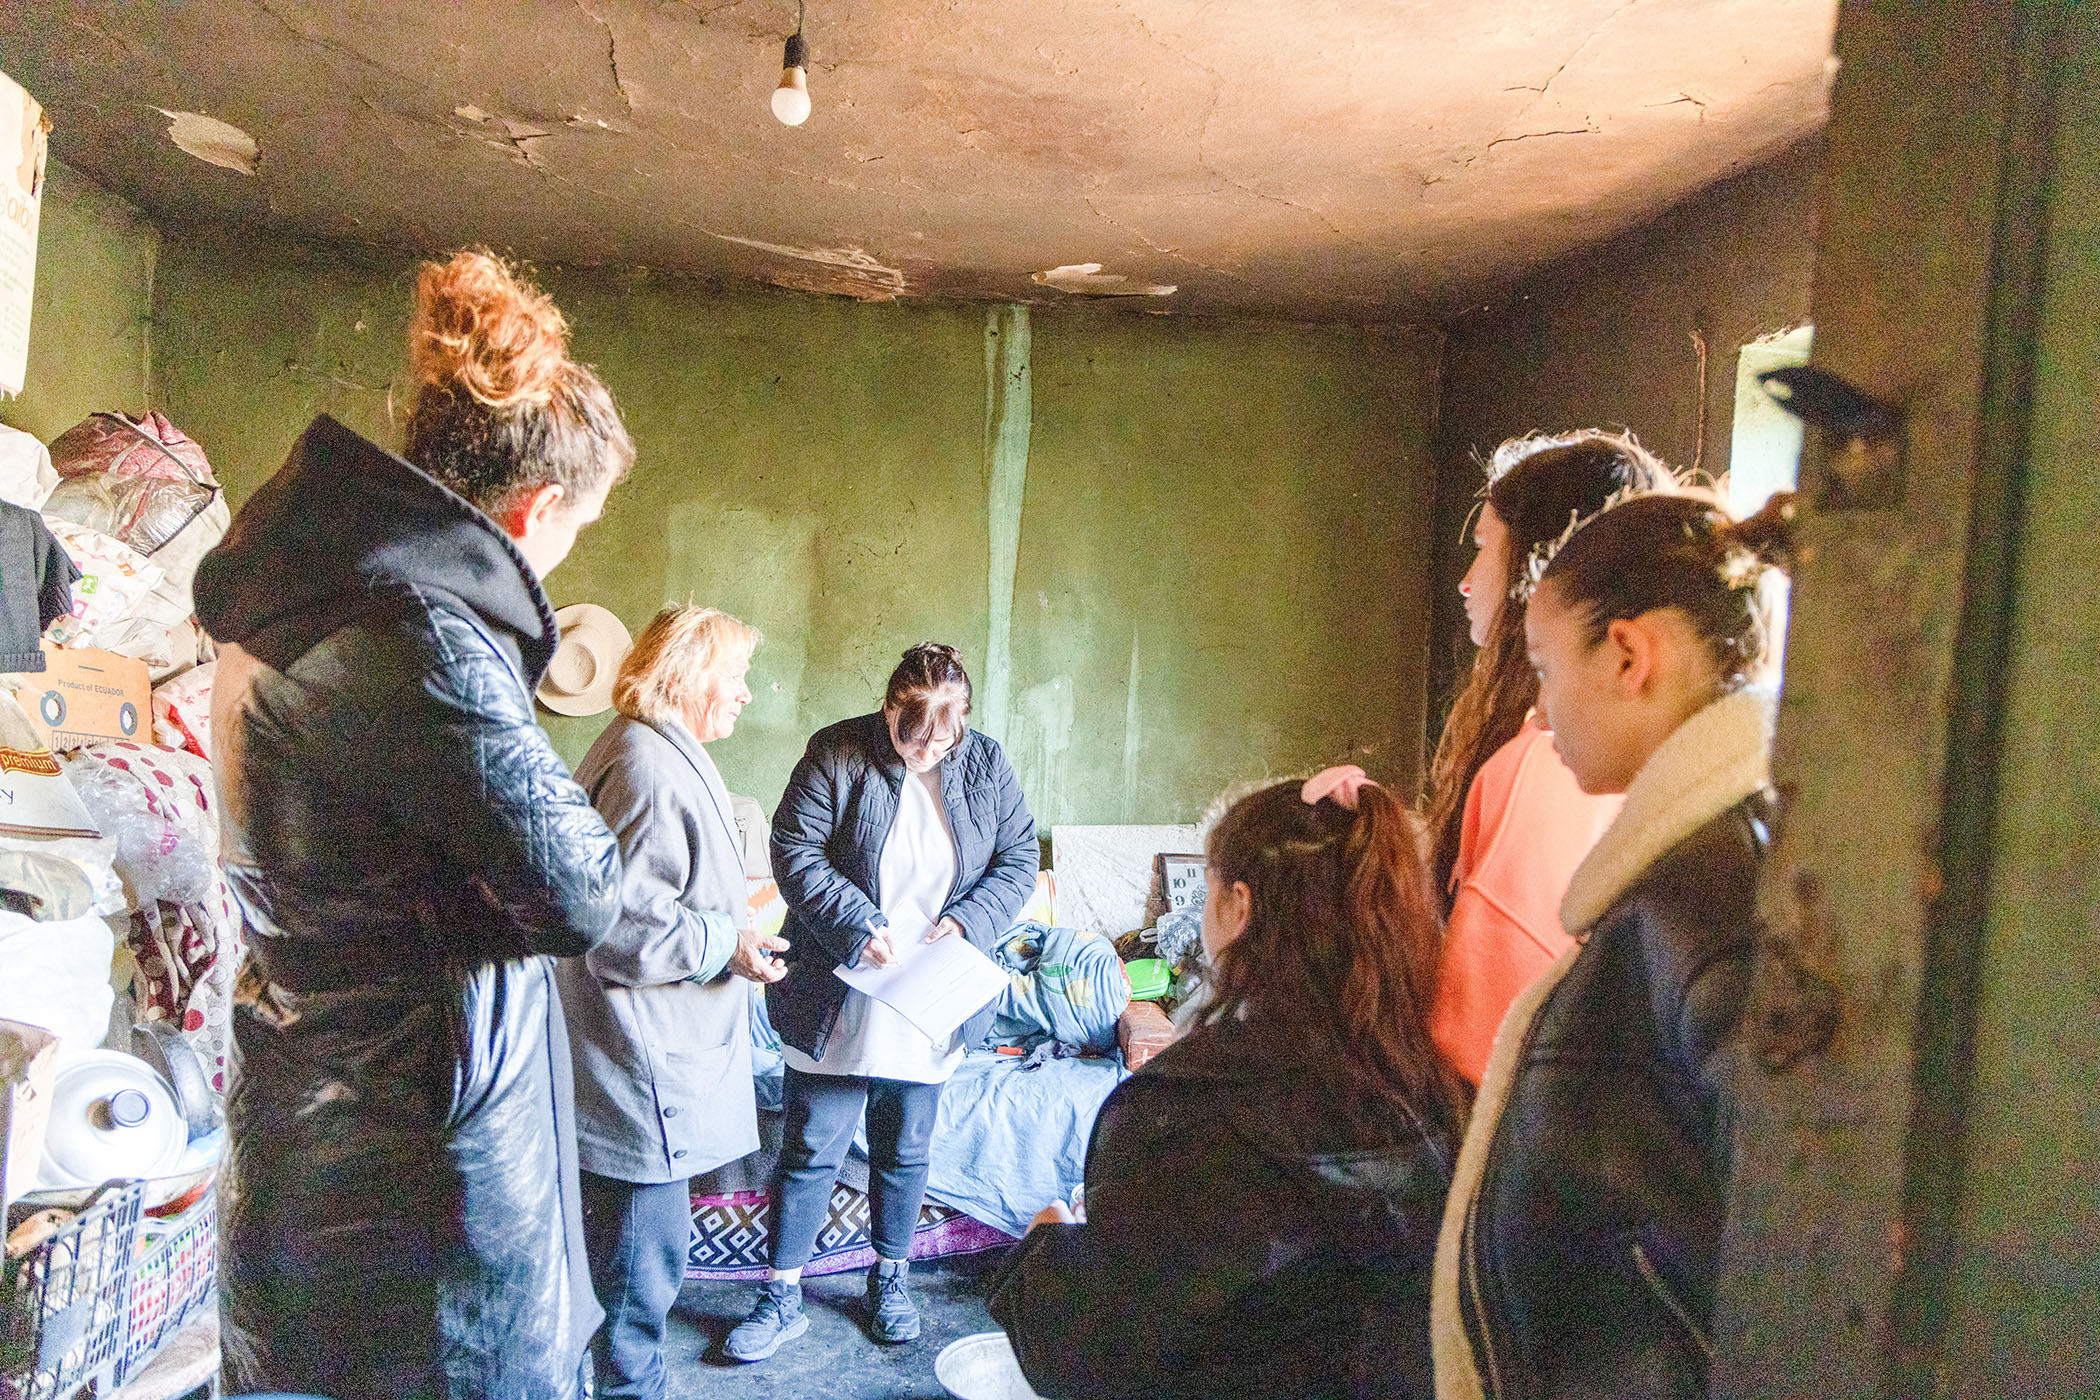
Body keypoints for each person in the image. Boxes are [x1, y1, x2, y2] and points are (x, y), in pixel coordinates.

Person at [197, 249, 633, 1400]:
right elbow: (582, 891)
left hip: (313, 1125)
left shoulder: (301, 594)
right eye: (576, 529)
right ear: (536, 510)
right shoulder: (421, 636)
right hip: (419, 1196)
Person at [1432, 489, 1799, 1400]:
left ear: (1630, 657)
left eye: (1546, 668)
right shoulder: (1708, 867)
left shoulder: (1705, 897)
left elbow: (1775, 1260)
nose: (1540, 711)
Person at [987, 767, 1469, 1400]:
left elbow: (1097, 1351)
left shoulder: (1186, 1108)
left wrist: (1043, 1250)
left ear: (1239, 906)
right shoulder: (1446, 1095)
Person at [726, 643, 1039, 1360]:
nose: (925, 752)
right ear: (889, 706)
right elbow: (794, 849)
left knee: (906, 1147)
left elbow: (1019, 858)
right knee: (811, 1146)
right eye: (910, 735)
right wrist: (857, 924)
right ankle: (781, 1295)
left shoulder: (986, 764)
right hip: (838, 987)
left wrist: (969, 922)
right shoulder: (835, 752)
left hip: (930, 992)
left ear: (963, 725)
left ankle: (888, 1280)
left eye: (942, 741)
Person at [557, 605, 790, 1400]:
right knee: (636, 1283)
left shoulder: (648, 746)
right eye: (736, 676)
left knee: (634, 1274)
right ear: (689, 678)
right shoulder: (648, 767)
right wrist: (727, 942)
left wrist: (731, 937)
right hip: (640, 1071)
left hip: (643, 1060)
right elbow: (623, 929)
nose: (746, 693)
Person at [1423, 430, 1678, 1085]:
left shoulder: (1545, 769)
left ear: (1537, 570)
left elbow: (1473, 1053)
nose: (1465, 581)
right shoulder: (1632, 763)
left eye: (1485, 547)